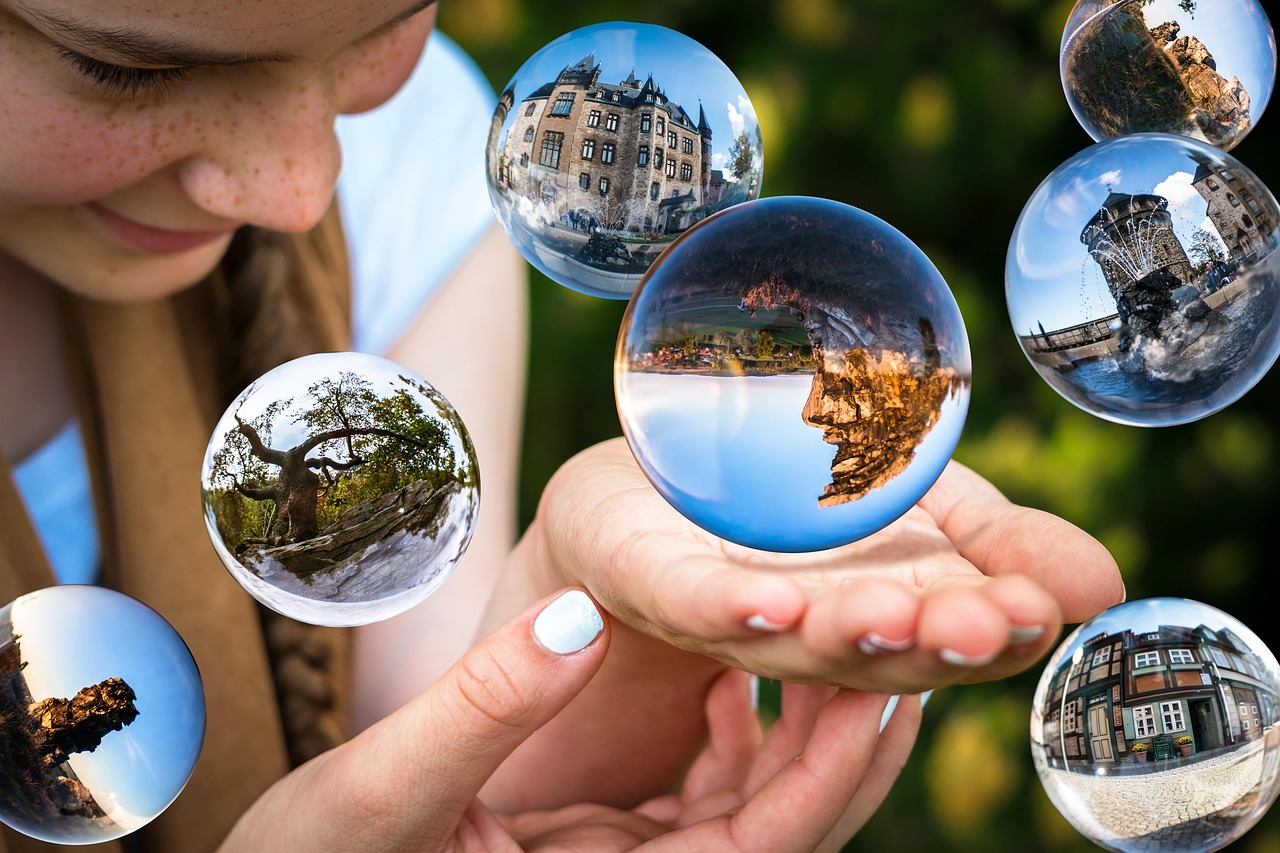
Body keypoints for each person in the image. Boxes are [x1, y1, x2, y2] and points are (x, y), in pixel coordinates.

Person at [0, 0, 1124, 849]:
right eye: (121, 68)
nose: (296, 190)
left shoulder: (418, 158)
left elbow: (451, 780)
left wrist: (605, 634)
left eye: (380, 29)